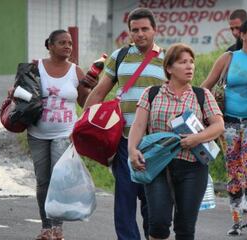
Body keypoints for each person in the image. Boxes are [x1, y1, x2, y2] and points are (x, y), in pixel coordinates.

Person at [83, 8, 165, 240]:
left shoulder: (167, 58)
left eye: (144, 29)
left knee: (153, 202)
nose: (140, 34)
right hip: (124, 141)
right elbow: (100, 91)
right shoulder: (119, 56)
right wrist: (83, 126)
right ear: (129, 33)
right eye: (134, 30)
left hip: (155, 142)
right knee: (125, 202)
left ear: (155, 30)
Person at [128, 43, 224, 240]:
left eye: (191, 62)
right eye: (183, 62)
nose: (190, 67)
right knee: (158, 224)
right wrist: (131, 150)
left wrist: (196, 138)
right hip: (157, 166)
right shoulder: (152, 93)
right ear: (169, 68)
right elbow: (138, 126)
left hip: (193, 167)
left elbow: (218, 126)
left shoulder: (201, 94)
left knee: (186, 227)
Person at [25, 29, 97, 240]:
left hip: (65, 133)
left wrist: (90, 89)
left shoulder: (77, 72)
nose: (68, 46)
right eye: (62, 43)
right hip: (37, 132)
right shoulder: (35, 67)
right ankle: (46, 228)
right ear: (50, 46)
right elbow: (23, 93)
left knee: (59, 180)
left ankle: (57, 230)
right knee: (43, 181)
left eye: (70, 43)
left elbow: (85, 103)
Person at [201, 19, 247, 238]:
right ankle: (236, 220)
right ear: (243, 35)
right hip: (228, 122)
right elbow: (206, 86)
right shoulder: (228, 58)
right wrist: (195, 107)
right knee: (233, 169)